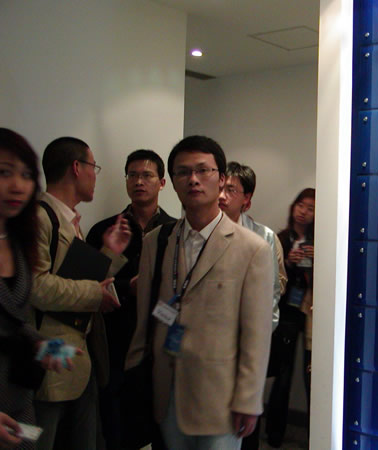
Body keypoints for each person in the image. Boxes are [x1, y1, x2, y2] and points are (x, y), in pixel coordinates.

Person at [126, 135, 274, 450]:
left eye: (203, 170)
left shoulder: (253, 249)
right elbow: (144, 319)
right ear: (173, 182)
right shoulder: (157, 241)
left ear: (220, 179)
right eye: (183, 172)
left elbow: (257, 334)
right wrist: (134, 371)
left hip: (221, 400)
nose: (193, 179)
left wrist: (249, 399)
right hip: (165, 391)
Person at [30, 137, 131, 450]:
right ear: (77, 167)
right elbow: (36, 286)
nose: (95, 176)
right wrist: (94, 295)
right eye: (93, 167)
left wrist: (109, 253)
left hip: (81, 361)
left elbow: (72, 277)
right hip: (50, 361)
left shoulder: (70, 220)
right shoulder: (39, 218)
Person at [87, 149, 174, 449]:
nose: (139, 181)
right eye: (133, 175)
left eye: (147, 175)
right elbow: (87, 283)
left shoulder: (175, 230)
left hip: (159, 337)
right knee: (116, 423)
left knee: (158, 420)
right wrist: (127, 288)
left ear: (162, 183)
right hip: (115, 338)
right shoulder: (105, 230)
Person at [0, 129, 82, 450]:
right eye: (4, 173)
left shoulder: (17, 241)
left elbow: (13, 319)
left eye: (26, 174)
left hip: (18, 392)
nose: (17, 185)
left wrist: (40, 343)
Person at [218, 161, 288, 450]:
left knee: (245, 421)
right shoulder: (202, 232)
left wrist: (256, 339)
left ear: (247, 199)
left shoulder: (263, 237)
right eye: (220, 187)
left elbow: (271, 294)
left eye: (230, 190)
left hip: (247, 344)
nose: (221, 195)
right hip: (212, 345)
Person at [266, 188, 315, 448]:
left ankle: (316, 436)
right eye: (300, 205)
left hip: (311, 313)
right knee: (283, 374)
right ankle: (274, 435)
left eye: (311, 208)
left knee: (312, 375)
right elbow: (273, 279)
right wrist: (288, 261)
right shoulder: (281, 239)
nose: (303, 211)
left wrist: (318, 260)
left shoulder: (320, 241)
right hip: (286, 313)